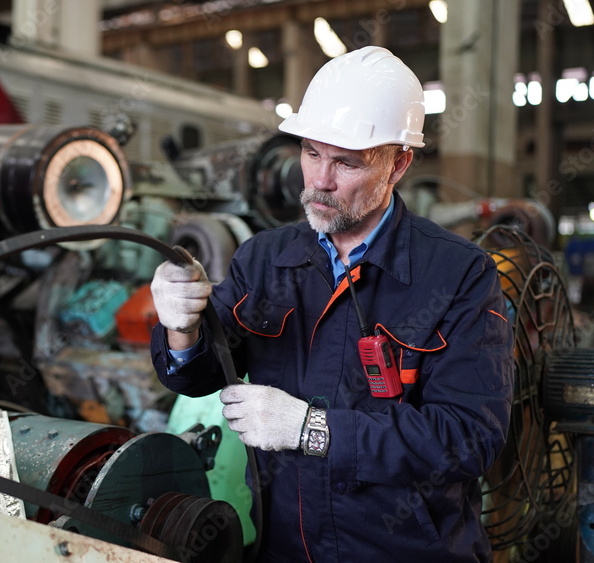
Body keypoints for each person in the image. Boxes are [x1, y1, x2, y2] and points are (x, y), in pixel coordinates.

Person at [149, 46, 514, 562]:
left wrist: (312, 429)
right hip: (284, 547)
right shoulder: (265, 258)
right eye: (311, 153)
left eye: (346, 162)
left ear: (398, 163)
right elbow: (200, 375)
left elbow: (470, 437)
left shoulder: (458, 274)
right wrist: (181, 328)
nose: (320, 180)